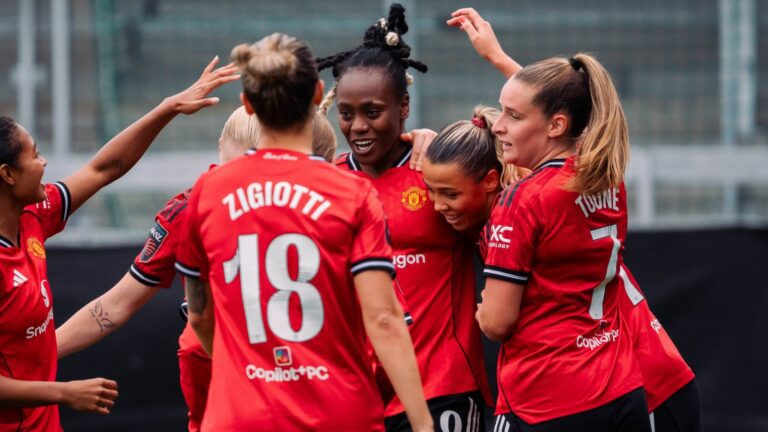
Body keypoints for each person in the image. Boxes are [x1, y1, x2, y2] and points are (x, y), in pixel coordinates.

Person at [448, 8, 701, 432]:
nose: (499, 128)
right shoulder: (603, 173)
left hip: (572, 394)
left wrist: (482, 309)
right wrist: (500, 59)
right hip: (620, 384)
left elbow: (495, 322)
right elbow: (557, 117)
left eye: (449, 192)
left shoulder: (524, 200)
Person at [174, 32, 432, 431]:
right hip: (339, 416)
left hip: (241, 417)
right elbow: (383, 319)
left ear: (247, 104)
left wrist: (246, 371)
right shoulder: (352, 193)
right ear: (317, 95)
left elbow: (199, 315)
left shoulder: (208, 191)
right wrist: (423, 423)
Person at [55, 106, 338, 432]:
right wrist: (39, 353)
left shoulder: (333, 200)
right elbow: (117, 304)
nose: (248, 189)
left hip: (303, 382)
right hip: (242, 391)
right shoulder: (191, 209)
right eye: (238, 173)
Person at [0, 57, 238, 431]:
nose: (44, 162)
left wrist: (169, 107)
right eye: (34, 155)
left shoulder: (34, 214)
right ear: (8, 175)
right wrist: (62, 392)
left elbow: (104, 168)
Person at [316, 4, 491, 430]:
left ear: (404, 106)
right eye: (346, 113)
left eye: (372, 111)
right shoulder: (325, 185)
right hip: (357, 395)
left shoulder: (436, 173)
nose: (358, 126)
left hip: (442, 385)